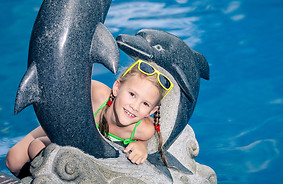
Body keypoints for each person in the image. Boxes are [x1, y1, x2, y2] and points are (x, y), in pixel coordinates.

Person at [6, 59, 173, 178]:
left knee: (36, 146)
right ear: (116, 88)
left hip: (80, 148)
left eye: (145, 103)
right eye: (131, 94)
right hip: (68, 126)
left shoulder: (144, 130)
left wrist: (141, 145)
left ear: (153, 110)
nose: (134, 106)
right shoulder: (97, 92)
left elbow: (148, 135)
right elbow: (66, 84)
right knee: (12, 161)